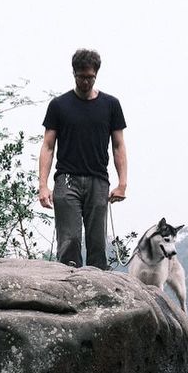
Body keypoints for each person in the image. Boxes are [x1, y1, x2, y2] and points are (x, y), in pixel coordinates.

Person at [39, 48, 127, 268]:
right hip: (67, 180)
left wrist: (122, 183)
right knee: (69, 242)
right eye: (81, 77)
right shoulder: (59, 105)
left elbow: (118, 145)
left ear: (96, 74)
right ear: (74, 73)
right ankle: (66, 286)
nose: (86, 82)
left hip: (98, 180)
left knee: (97, 245)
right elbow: (48, 146)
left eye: (90, 77)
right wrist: (43, 186)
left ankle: (98, 287)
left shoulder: (111, 105)